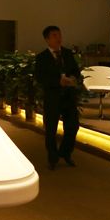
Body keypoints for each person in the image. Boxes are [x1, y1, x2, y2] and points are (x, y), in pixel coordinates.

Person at [34, 25, 81, 170]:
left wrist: (73, 78)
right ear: (47, 39)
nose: (58, 38)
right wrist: (57, 82)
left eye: (59, 35)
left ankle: (65, 153)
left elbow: (76, 71)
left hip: (68, 96)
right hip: (52, 97)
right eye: (54, 35)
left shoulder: (67, 53)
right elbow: (40, 77)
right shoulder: (42, 57)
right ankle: (53, 158)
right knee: (51, 129)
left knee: (73, 126)